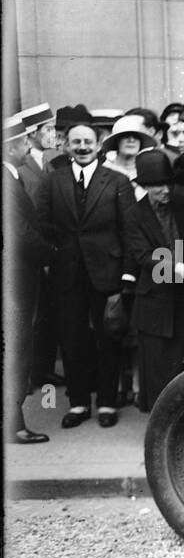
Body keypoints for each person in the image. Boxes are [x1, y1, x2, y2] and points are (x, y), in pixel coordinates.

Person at [35, 117, 135, 428]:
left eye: (88, 141)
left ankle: (106, 402)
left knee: (108, 337)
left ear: (99, 144)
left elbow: (130, 232)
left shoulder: (116, 182)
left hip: (107, 272)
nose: (82, 147)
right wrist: (52, 261)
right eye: (76, 142)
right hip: (66, 275)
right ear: (65, 145)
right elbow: (42, 227)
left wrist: (127, 276)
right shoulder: (53, 182)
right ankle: (78, 403)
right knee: (72, 338)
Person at [123, 150, 184, 411]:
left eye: (168, 183)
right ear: (144, 187)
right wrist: (180, 269)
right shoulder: (133, 215)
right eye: (156, 186)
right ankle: (159, 428)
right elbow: (143, 256)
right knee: (156, 366)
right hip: (154, 300)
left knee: (183, 363)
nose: (165, 190)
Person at [3, 115, 54, 443]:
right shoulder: (6, 180)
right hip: (16, 281)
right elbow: (19, 232)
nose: (28, 144)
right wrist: (52, 253)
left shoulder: (11, 176)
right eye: (24, 140)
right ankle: (15, 424)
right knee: (17, 348)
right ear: (12, 147)